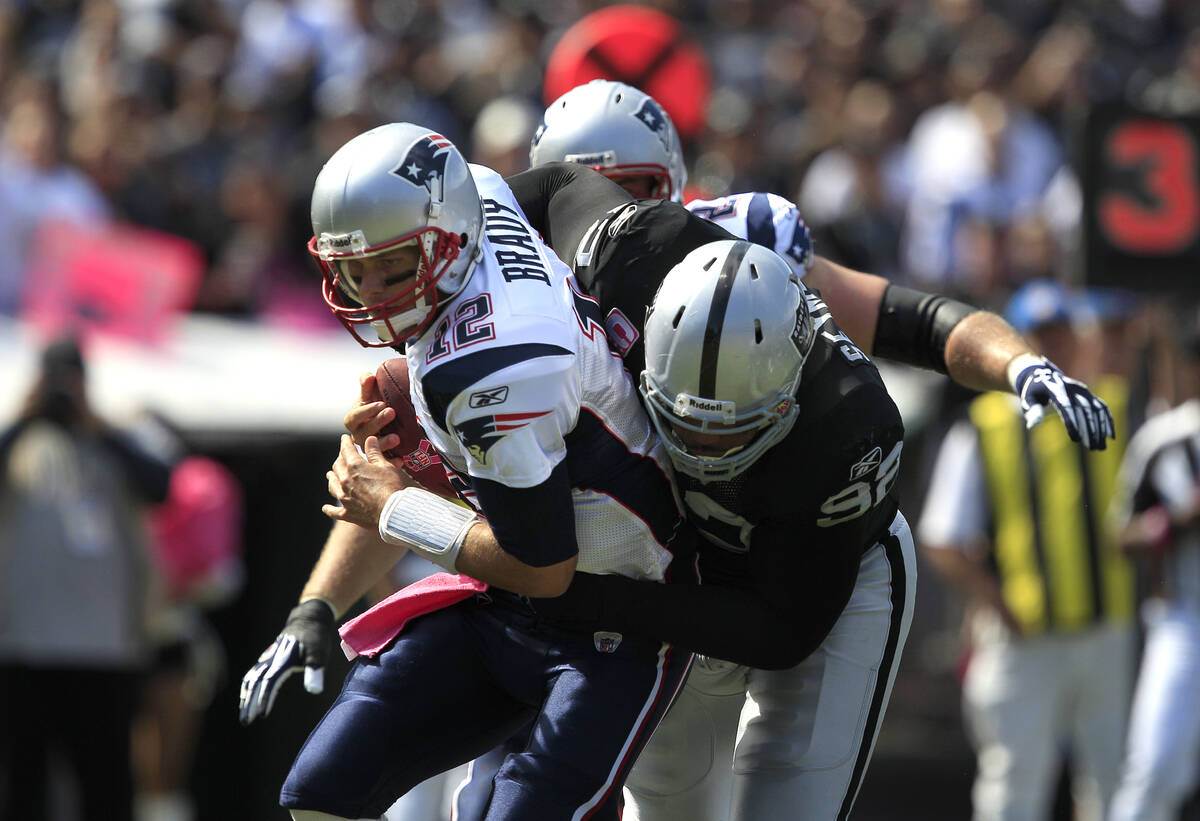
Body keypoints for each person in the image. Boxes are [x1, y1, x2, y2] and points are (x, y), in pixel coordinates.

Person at [238, 122, 694, 821]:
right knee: (320, 790)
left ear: (445, 238)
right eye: (355, 269)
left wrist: (394, 504)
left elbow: (546, 569)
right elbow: (407, 476)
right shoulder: (474, 196)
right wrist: (316, 607)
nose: (371, 291)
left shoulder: (493, 369)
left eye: (392, 267)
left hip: (616, 620)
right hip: (506, 606)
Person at [917, 280, 1136, 821]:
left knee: (1113, 779)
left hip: (1106, 629)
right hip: (1023, 638)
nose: (1052, 349)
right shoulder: (984, 426)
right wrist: (995, 602)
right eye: (1039, 337)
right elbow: (943, 537)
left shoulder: (1110, 407)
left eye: (1060, 334)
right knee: (1015, 783)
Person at [0, 335, 173, 821]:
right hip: (22, 645)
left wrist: (95, 425)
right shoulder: (18, 440)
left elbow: (161, 484)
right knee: (22, 782)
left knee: (106, 781)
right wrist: (26, 414)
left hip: (105, 649)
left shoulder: (116, 438)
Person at [1108, 307, 1200, 821]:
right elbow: (1121, 535)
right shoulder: (1165, 438)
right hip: (1184, 619)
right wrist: (1176, 521)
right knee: (1157, 764)